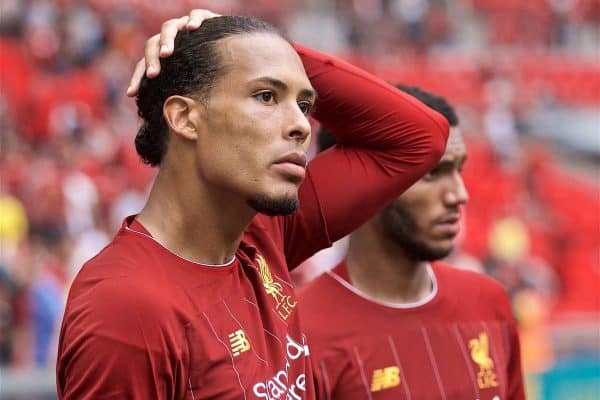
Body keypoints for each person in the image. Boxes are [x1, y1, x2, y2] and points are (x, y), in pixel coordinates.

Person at [56, 11, 449, 400]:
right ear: (185, 118)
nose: (301, 126)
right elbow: (414, 141)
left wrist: (262, 48)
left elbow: (422, 136)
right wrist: (242, 48)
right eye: (267, 96)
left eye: (306, 105)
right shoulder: (124, 308)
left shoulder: (263, 236)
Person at [298, 85, 525, 400]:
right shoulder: (298, 333)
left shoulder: (489, 302)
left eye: (458, 170)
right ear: (358, 185)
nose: (459, 194)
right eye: (432, 173)